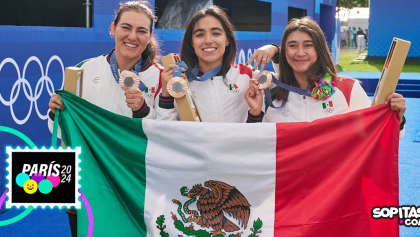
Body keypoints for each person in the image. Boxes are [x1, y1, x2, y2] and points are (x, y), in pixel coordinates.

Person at [46, 1, 162, 236]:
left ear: (149, 36)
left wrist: (141, 110)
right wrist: (54, 113)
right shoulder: (83, 71)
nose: (132, 36)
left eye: (141, 31)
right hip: (88, 180)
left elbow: (167, 135)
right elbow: (61, 132)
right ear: (112, 29)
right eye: (126, 27)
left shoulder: (161, 79)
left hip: (134, 182)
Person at [244, 17, 406, 138]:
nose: (300, 52)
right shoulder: (270, 90)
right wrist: (255, 113)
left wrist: (396, 119)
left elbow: (375, 137)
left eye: (308, 45)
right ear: (284, 51)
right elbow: (256, 145)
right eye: (292, 46)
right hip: (287, 182)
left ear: (319, 49)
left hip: (334, 183)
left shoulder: (347, 89)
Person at [156, 5, 262, 122]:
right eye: (200, 35)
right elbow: (165, 132)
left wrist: (275, 52)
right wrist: (166, 96)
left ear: (227, 39)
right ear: (191, 42)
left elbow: (284, 84)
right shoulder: (178, 81)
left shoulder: (248, 76)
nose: (208, 41)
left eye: (216, 33)